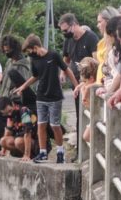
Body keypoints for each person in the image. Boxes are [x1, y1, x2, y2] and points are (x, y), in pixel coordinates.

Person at [14, 34, 78, 164]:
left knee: (55, 125)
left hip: (55, 97)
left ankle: (60, 152)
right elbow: (35, 76)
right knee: (40, 124)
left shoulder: (53, 56)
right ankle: (42, 153)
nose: (29, 54)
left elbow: (67, 70)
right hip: (41, 96)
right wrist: (23, 86)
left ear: (36, 47)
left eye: (30, 51)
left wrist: (76, 86)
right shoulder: (34, 60)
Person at [59, 13, 99, 130]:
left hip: (89, 83)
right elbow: (66, 59)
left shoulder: (91, 37)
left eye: (66, 30)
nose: (65, 33)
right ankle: (79, 143)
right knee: (79, 114)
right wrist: (62, 73)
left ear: (74, 24)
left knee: (89, 113)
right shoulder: (68, 40)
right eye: (62, 31)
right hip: (76, 82)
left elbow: (96, 61)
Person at [0, 96, 38, 161]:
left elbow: (27, 133)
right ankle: (21, 155)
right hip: (20, 139)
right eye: (6, 113)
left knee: (18, 141)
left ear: (13, 104)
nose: (9, 113)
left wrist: (27, 154)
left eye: (10, 111)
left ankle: (30, 156)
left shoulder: (24, 111)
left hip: (35, 141)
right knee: (2, 141)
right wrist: (3, 151)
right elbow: (8, 131)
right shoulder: (10, 115)